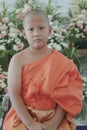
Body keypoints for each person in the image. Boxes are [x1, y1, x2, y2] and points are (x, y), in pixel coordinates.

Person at [3, 9, 82, 130]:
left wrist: (54, 123)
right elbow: (14, 93)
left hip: (54, 117)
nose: (36, 33)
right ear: (24, 34)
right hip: (24, 117)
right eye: (31, 29)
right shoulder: (17, 60)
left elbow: (65, 97)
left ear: (49, 31)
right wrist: (30, 124)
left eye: (41, 28)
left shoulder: (62, 62)